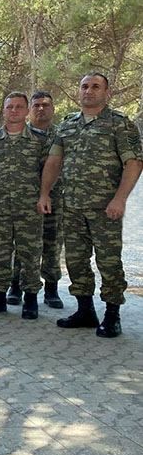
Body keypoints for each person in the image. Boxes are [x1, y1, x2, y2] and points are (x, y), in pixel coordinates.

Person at [38, 72, 143, 338]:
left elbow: (134, 163)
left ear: (106, 92)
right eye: (84, 86)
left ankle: (112, 314)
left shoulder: (120, 124)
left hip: (105, 208)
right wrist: (45, 193)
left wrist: (120, 199)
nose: (89, 91)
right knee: (76, 260)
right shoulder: (68, 124)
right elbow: (54, 161)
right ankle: (85, 310)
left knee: (108, 262)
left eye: (96, 86)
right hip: (71, 206)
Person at [0, 92, 49, 319]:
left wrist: (38, 195)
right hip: (0, 208)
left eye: (19, 107)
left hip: (30, 208)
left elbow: (48, 172)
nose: (15, 111)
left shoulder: (40, 140)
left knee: (30, 253)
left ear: (27, 111)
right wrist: (1, 193)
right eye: (10, 107)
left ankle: (30, 298)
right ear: (4, 110)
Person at [8, 91, 64, 309]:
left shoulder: (63, 135)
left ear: (53, 109)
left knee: (52, 244)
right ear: (29, 109)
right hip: (25, 201)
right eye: (37, 105)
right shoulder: (20, 134)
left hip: (56, 200)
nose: (41, 109)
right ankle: (16, 287)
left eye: (46, 105)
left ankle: (51, 289)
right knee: (22, 245)